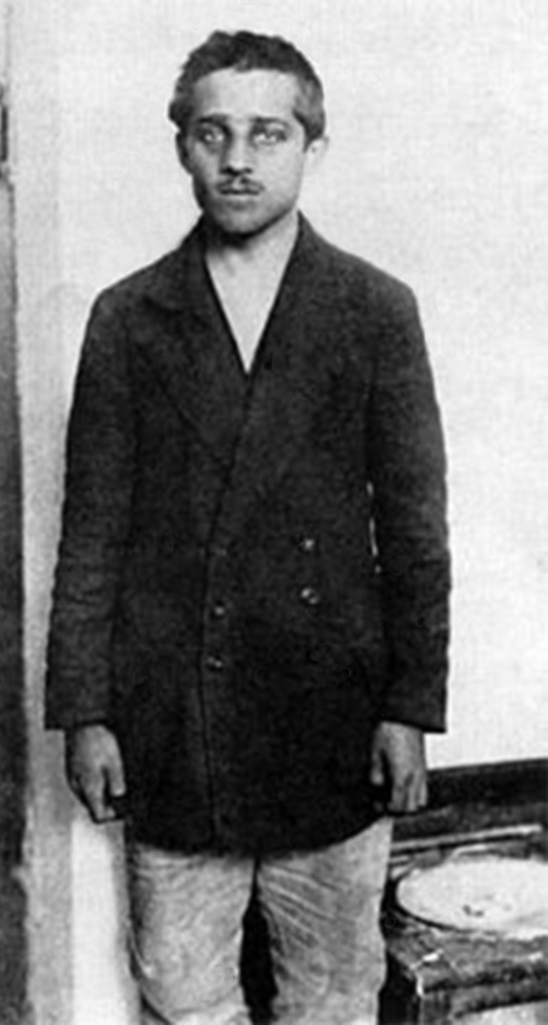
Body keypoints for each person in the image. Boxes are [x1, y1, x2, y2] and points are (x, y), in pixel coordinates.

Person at [46, 29, 450, 1025]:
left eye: (267, 133)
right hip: (175, 727)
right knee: (184, 995)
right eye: (212, 132)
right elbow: (90, 534)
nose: (237, 158)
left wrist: (409, 705)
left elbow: (413, 533)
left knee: (332, 994)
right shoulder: (127, 318)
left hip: (333, 720)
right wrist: (85, 711)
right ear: (180, 146)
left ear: (312, 146)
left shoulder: (373, 311)